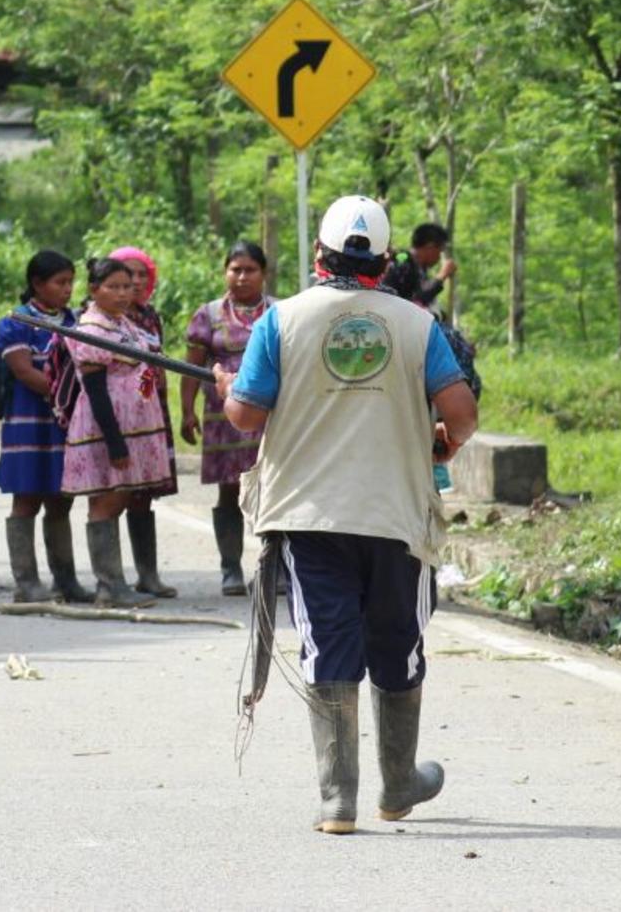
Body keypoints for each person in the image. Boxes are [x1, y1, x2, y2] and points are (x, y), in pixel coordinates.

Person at [218, 195, 477, 836]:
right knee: (398, 639)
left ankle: (339, 800)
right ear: (385, 261)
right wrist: (441, 441)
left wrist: (228, 392)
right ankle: (397, 785)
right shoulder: (419, 325)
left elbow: (248, 417)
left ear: (317, 257)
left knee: (328, 640)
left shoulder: (280, 321)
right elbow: (461, 415)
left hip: (311, 515)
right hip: (394, 514)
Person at [57, 257, 173, 607]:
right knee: (106, 501)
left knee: (120, 497)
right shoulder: (93, 330)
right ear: (95, 290)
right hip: (107, 429)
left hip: (135, 427)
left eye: (127, 287)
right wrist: (115, 442)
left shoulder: (123, 324)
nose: (123, 294)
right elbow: (94, 390)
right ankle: (109, 585)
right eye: (114, 287)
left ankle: (117, 583)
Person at [179, 242, 275, 596]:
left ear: (263, 273)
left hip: (269, 415)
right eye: (235, 269)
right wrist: (187, 410)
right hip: (224, 417)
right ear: (225, 272)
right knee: (230, 490)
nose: (242, 276)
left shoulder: (280, 312)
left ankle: (273, 569)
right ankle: (230, 568)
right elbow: (192, 367)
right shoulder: (208, 314)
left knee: (273, 489)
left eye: (250, 269)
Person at [0, 250, 85, 604]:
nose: (67, 289)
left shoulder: (77, 321)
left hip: (67, 424)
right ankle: (27, 581)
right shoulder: (16, 323)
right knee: (27, 498)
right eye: (60, 283)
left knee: (62, 500)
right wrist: (68, 393)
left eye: (70, 282)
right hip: (31, 422)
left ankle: (66, 579)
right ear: (37, 284)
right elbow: (24, 370)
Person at [105, 245, 178, 600]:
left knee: (143, 496)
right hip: (119, 414)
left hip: (151, 410)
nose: (134, 282)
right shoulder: (107, 319)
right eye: (126, 275)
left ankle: (147, 575)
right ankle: (111, 579)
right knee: (114, 494)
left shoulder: (150, 316)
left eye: (141, 275)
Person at [383, 222, 454, 312]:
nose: (439, 256)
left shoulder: (418, 268)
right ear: (430, 247)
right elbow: (417, 300)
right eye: (439, 250)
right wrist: (441, 276)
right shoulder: (403, 263)